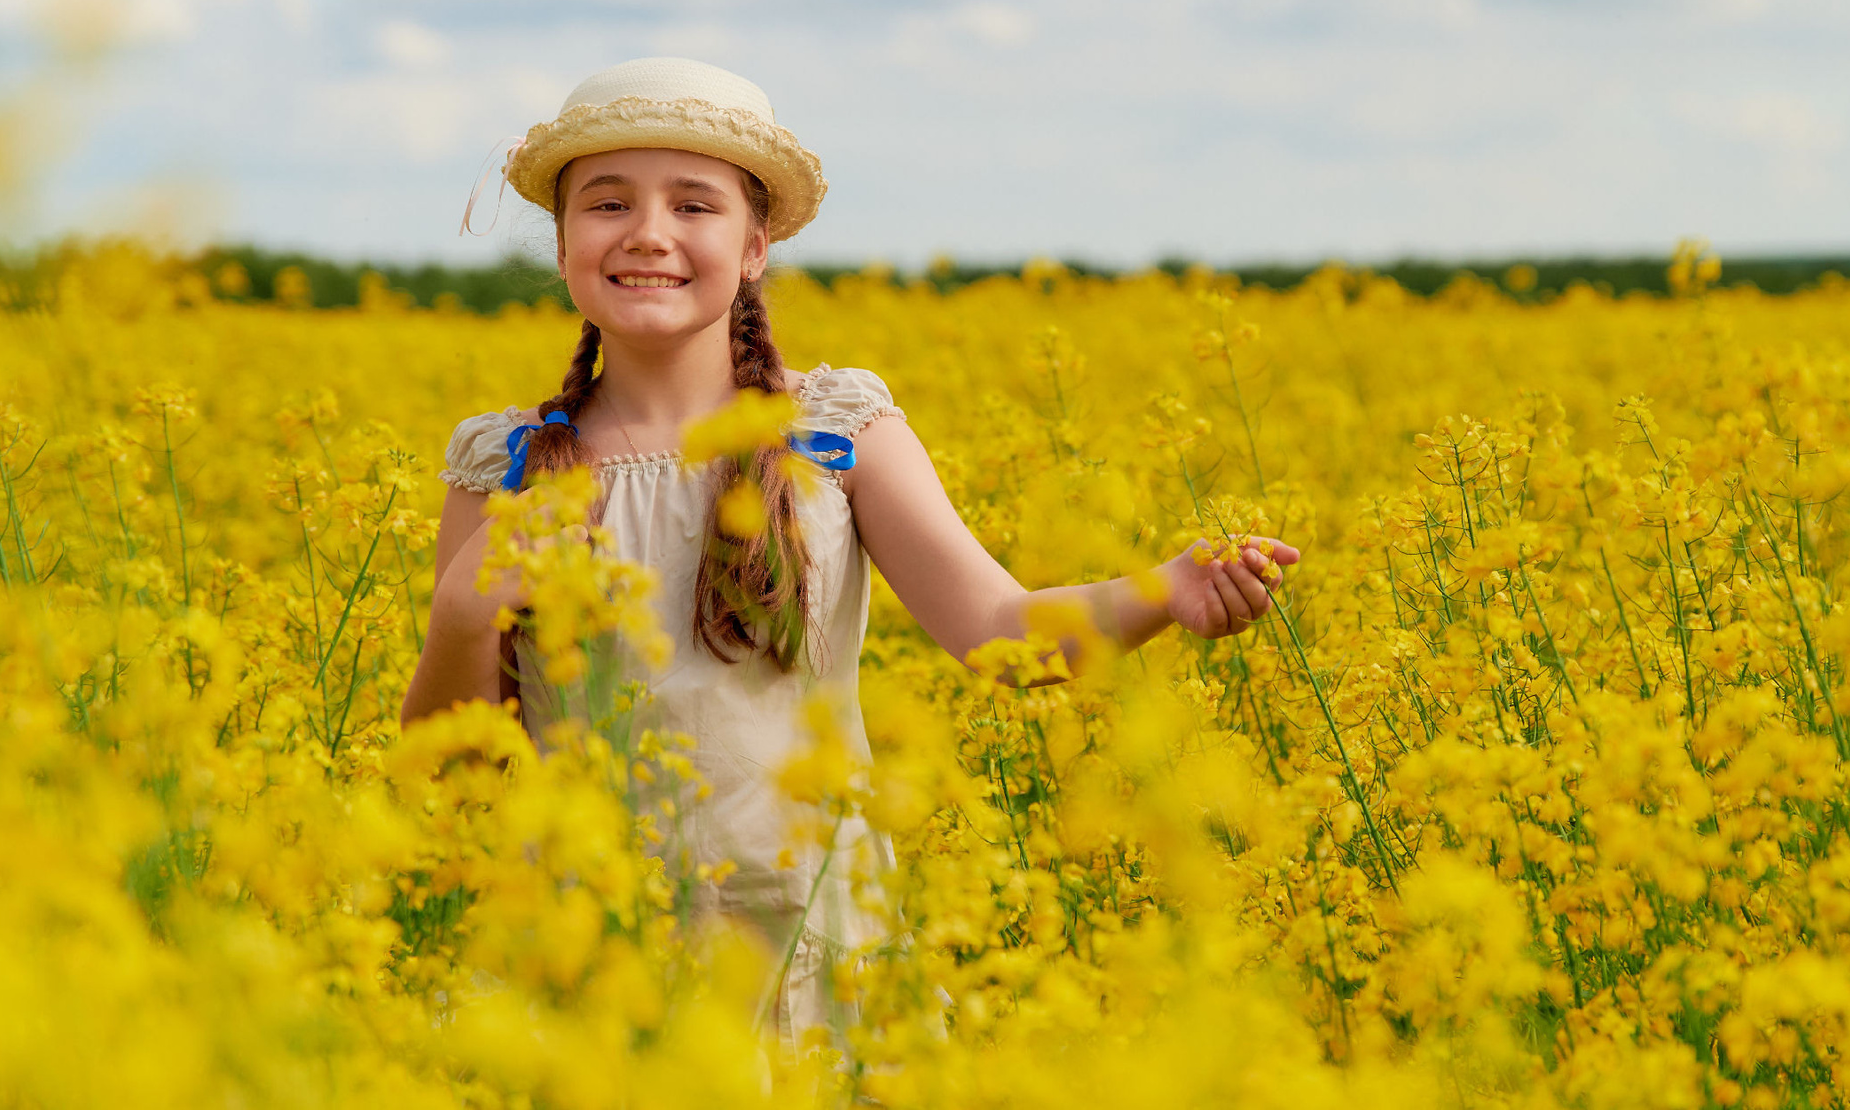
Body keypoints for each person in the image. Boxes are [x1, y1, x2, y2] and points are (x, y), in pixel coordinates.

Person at [399, 56, 1300, 1044]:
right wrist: (466, 606)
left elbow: (1003, 631)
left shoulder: (836, 430)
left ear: (755, 247)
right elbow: (448, 769)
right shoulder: (505, 464)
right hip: (575, 956)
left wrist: (1163, 591)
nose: (648, 232)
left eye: (693, 204)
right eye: (607, 203)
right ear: (566, 242)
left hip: (803, 946)